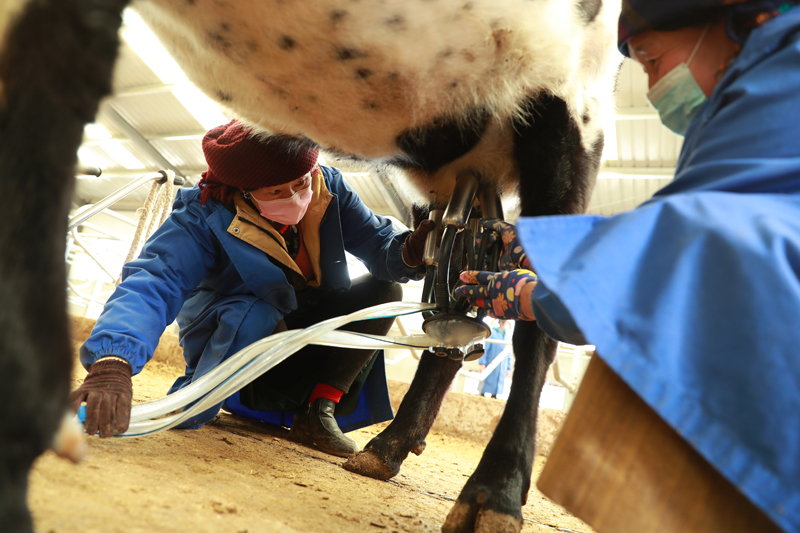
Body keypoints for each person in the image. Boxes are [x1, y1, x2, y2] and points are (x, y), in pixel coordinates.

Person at [455, 2, 800, 532]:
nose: (654, 83)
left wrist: (544, 294)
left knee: (653, 343)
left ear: (727, 18)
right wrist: (543, 245)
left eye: (650, 58)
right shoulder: (760, 76)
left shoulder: (782, 78)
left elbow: (697, 234)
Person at [71, 120, 435, 457]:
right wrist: (113, 361)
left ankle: (318, 410)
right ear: (240, 190)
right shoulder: (203, 214)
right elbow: (155, 280)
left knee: (384, 293)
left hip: (297, 332)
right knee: (254, 310)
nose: (295, 196)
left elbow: (379, 244)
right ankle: (197, 397)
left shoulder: (327, 186)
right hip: (238, 340)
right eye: (277, 191)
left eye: (301, 182)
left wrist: (409, 251)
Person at [478, 320, 513, 399]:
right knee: (485, 384)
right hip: (490, 363)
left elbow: (509, 354)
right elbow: (485, 349)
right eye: (506, 322)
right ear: (501, 322)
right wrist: (482, 363)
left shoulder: (507, 336)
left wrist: (508, 368)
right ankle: (482, 395)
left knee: (497, 388)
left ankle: (494, 396)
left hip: (502, 366)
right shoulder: (492, 333)